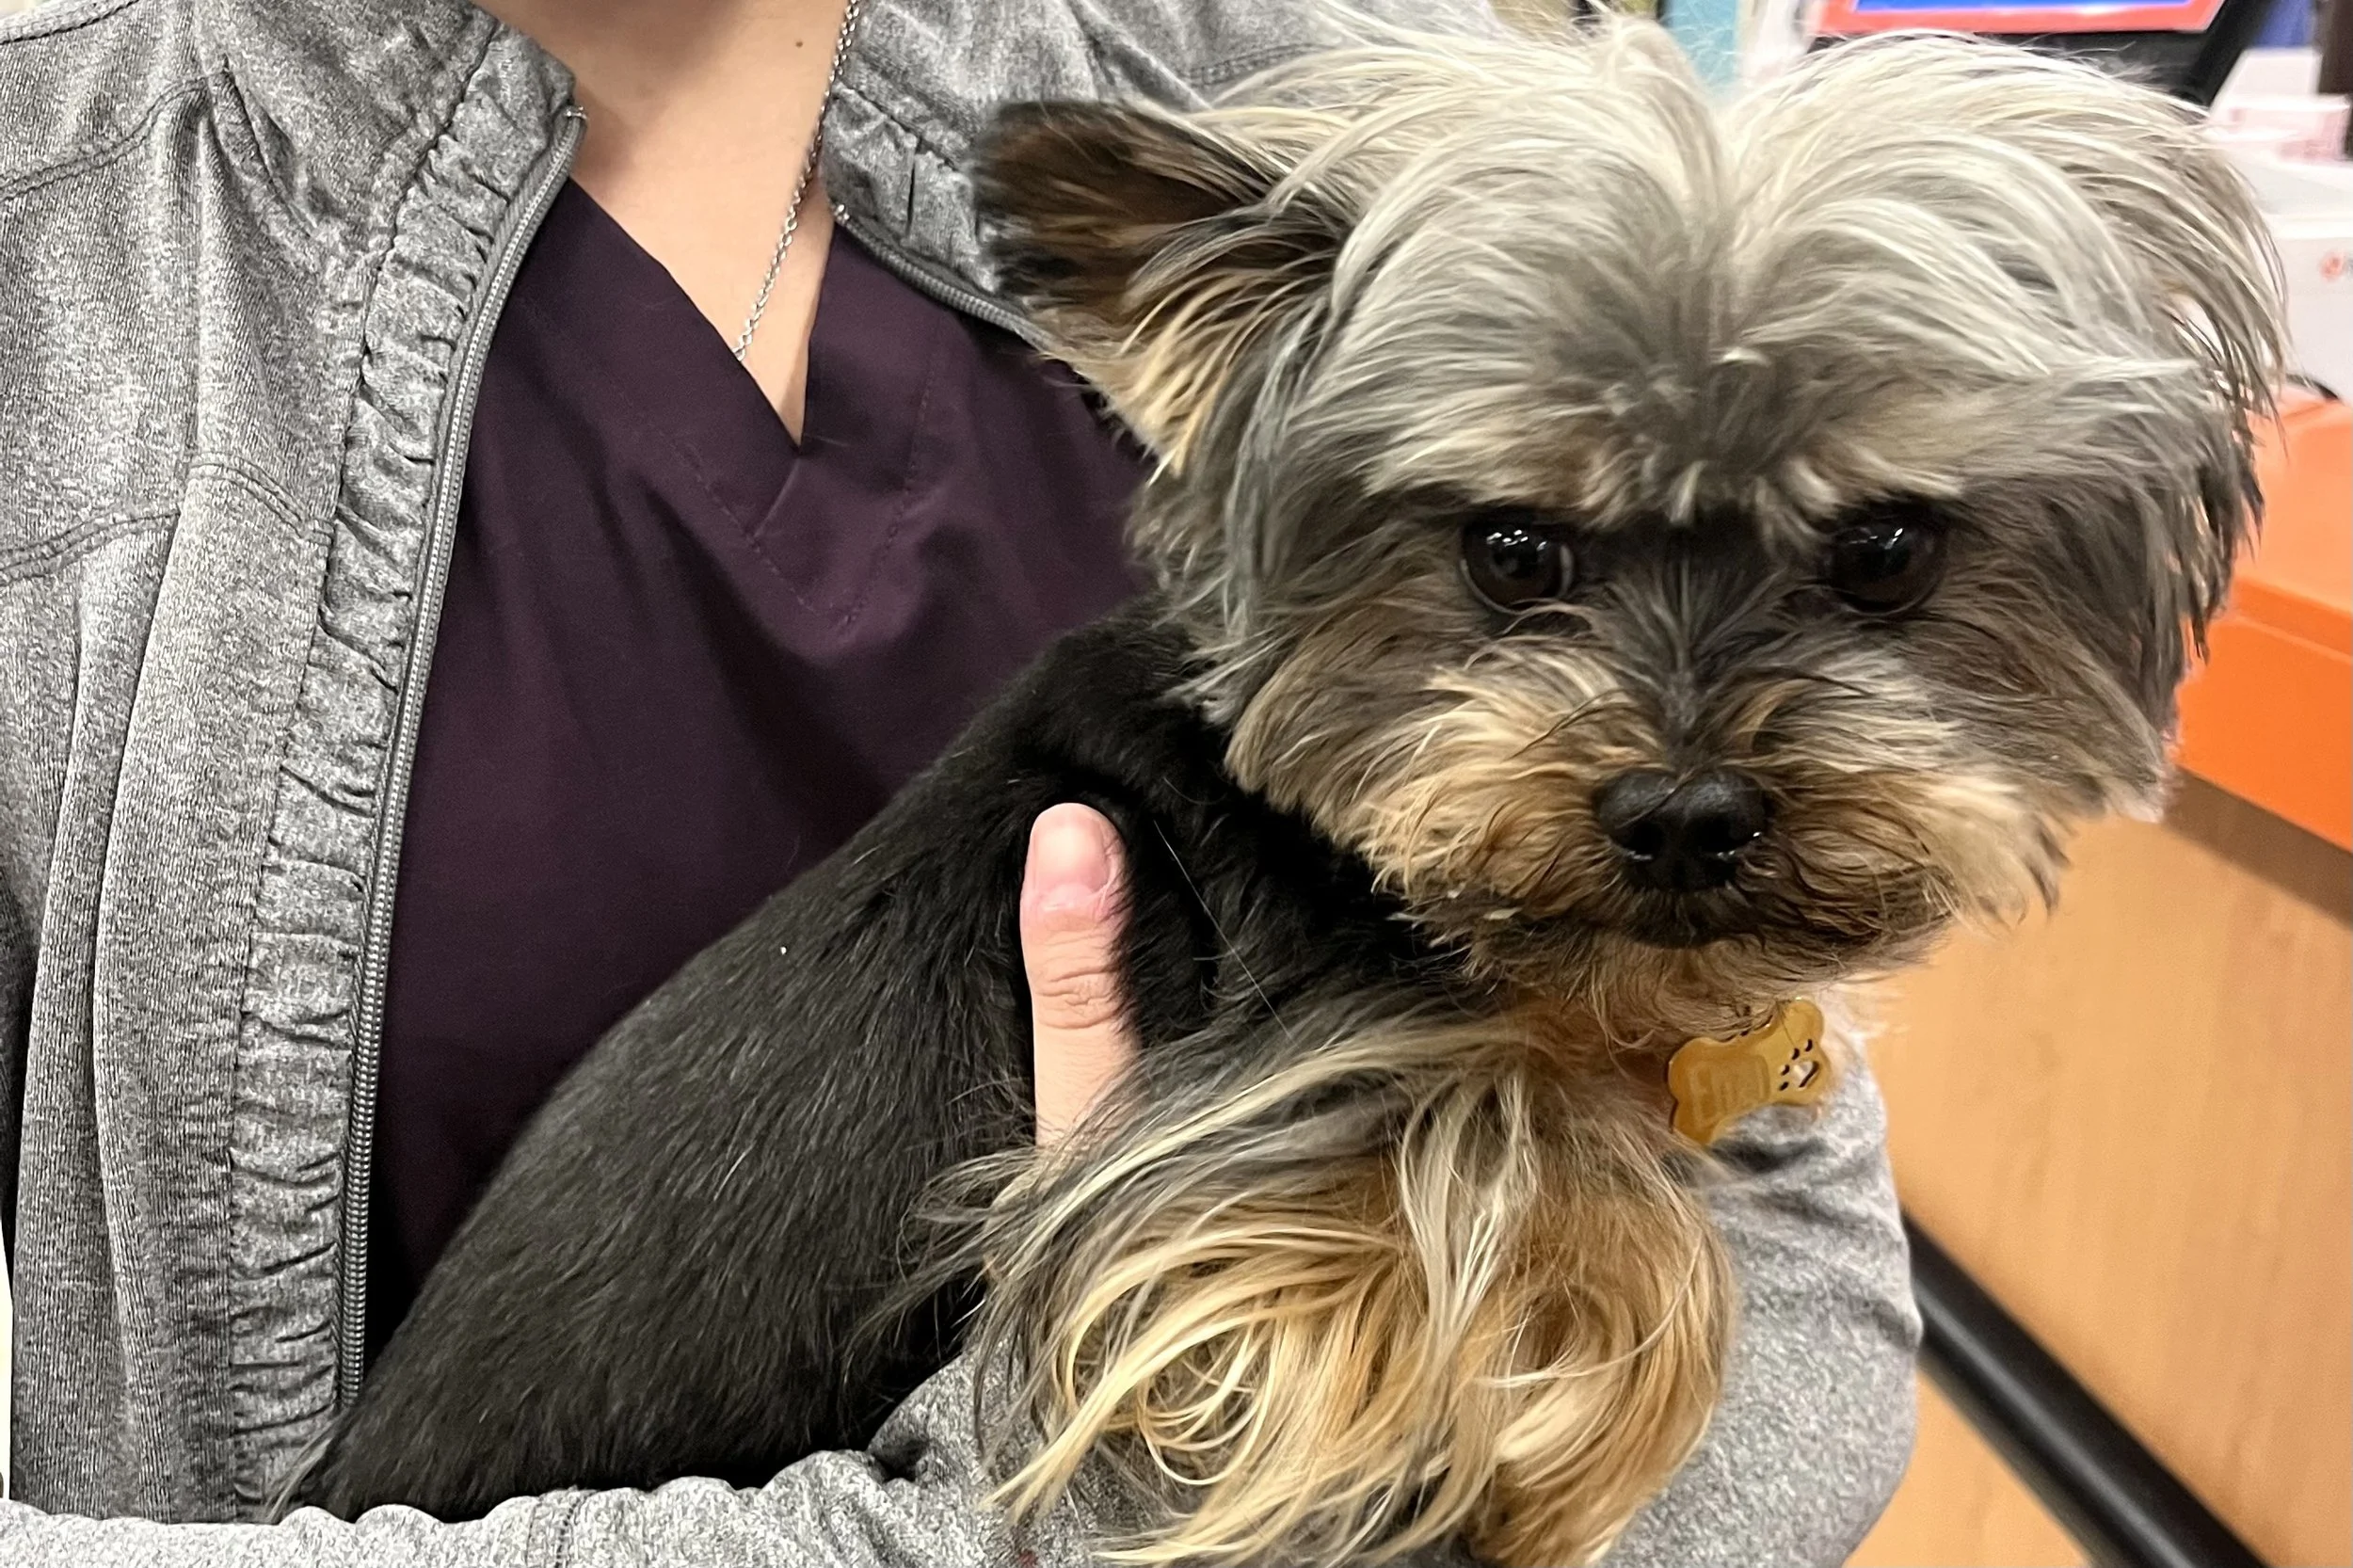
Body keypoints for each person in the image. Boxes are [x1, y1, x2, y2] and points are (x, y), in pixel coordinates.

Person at [0, 0, 1920, 1561]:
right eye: (1511, 556)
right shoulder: (60, 247)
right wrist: (1104, 1512)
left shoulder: (1338, 123)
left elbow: (1768, 1221)